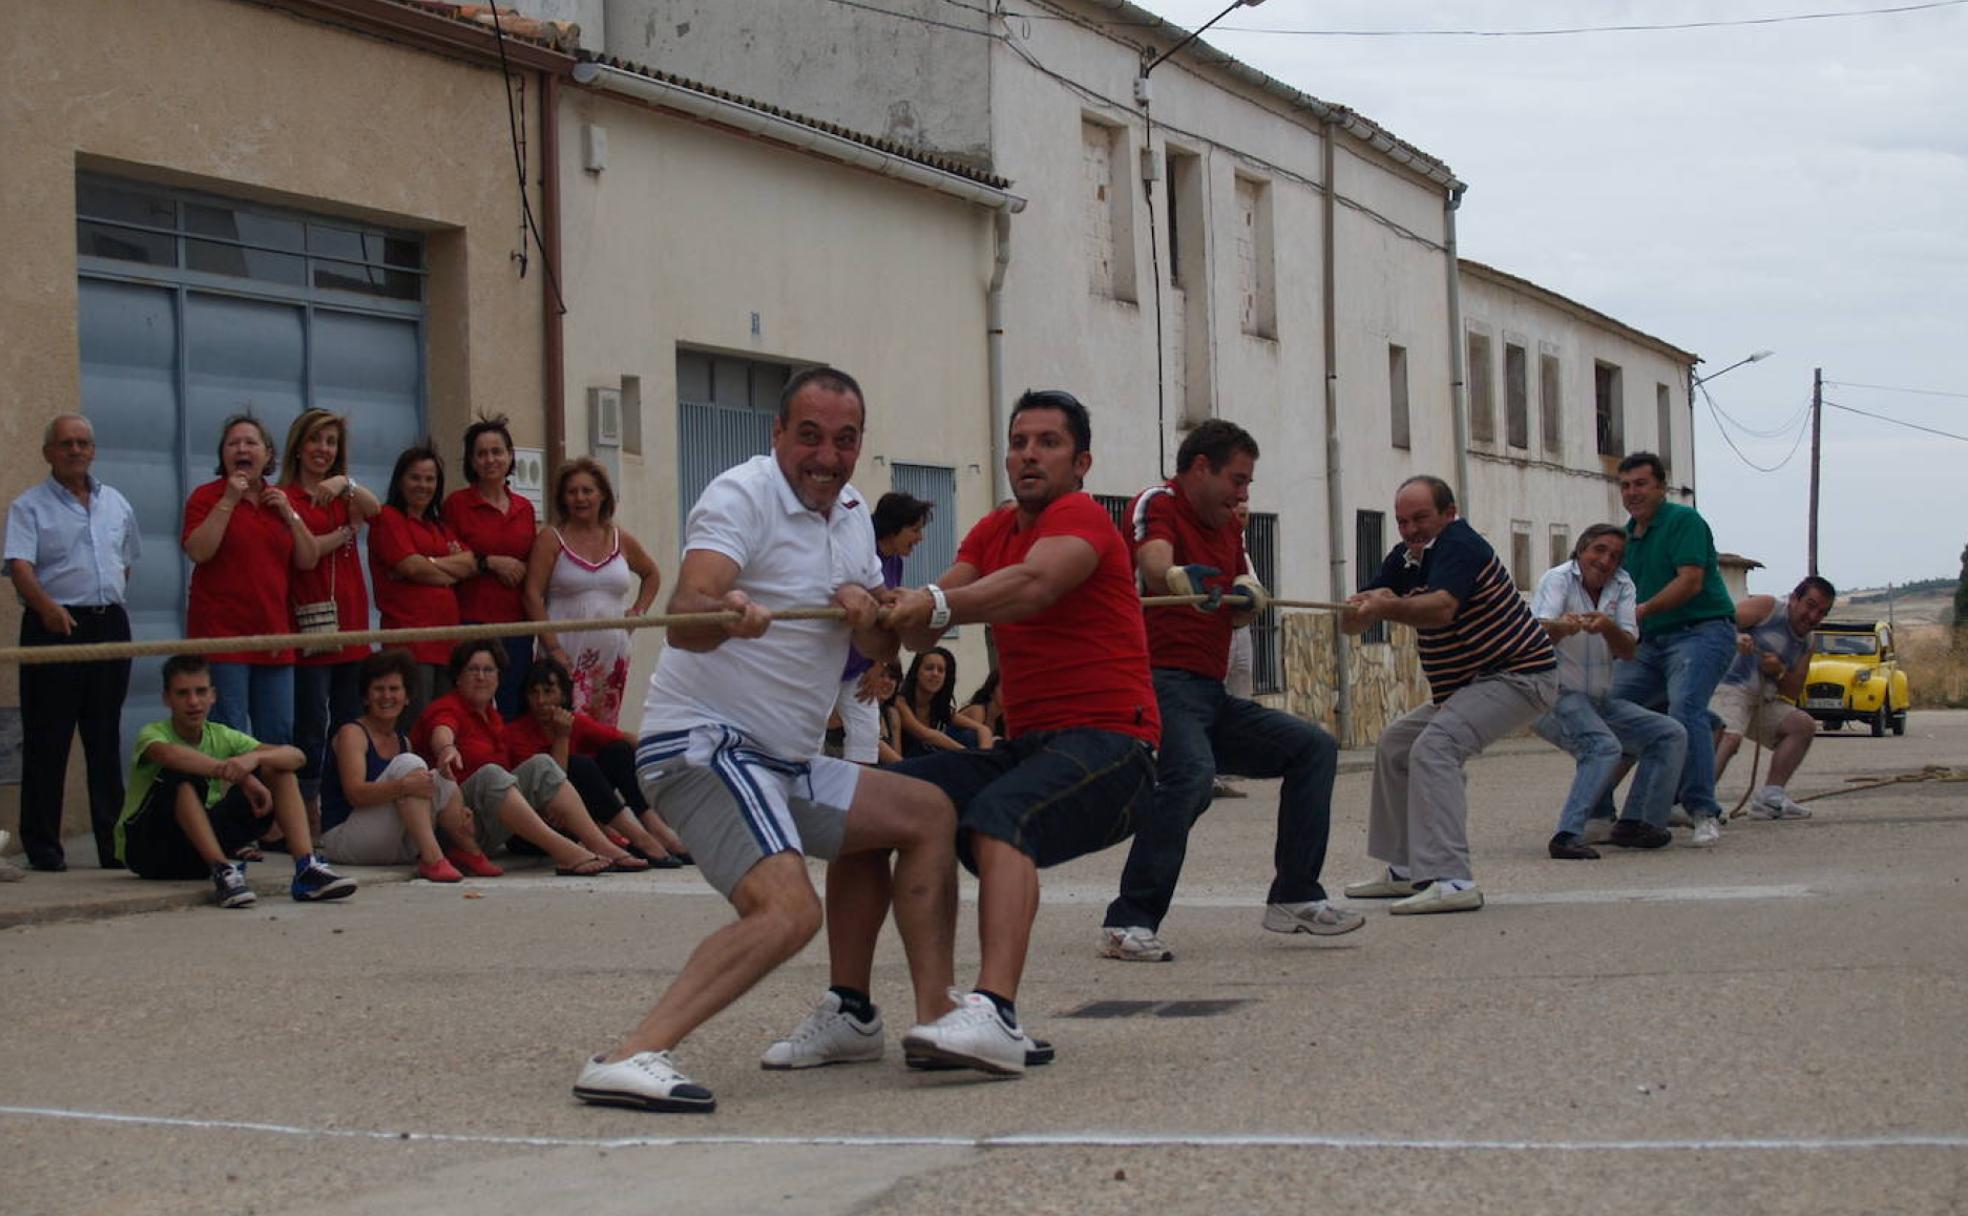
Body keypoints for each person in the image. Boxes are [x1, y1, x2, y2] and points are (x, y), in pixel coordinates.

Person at [574, 366, 960, 1114]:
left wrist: (870, 613)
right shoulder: (740, 495)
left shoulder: (850, 513)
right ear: (777, 433)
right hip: (703, 746)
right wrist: (726, 611)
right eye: (809, 436)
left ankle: (903, 1018)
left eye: (844, 441)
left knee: (927, 815)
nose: (826, 456)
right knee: (788, 911)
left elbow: (882, 653)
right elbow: (686, 614)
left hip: (784, 761)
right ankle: (629, 1056)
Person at [768, 388, 1159, 1078]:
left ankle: (996, 1013)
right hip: (1028, 745)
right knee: (871, 798)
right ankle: (853, 1009)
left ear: (1081, 462)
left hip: (1115, 749)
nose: (1028, 455)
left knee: (999, 816)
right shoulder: (994, 529)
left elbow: (1033, 586)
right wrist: (879, 613)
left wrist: (934, 603)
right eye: (1018, 442)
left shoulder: (1082, 519)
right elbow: (925, 626)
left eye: (1047, 443)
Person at [1100, 419, 1358, 961]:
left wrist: (1248, 597)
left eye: (1247, 484)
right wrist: (1177, 580)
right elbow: (1153, 565)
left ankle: (1294, 896)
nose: (1243, 495)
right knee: (1191, 777)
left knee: (1313, 749)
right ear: (1200, 468)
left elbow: (1240, 610)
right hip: (1155, 680)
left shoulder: (1229, 527)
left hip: (1207, 693)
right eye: (1237, 481)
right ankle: (1129, 921)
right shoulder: (1159, 501)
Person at [1340, 475, 1557, 914]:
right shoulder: (1405, 559)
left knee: (1435, 747)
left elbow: (1441, 609)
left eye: (1421, 518)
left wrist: (1383, 606)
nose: (1411, 529)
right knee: (1397, 744)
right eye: (1402, 521)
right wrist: (1358, 608)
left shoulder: (1460, 545)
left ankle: (1452, 879)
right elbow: (1357, 618)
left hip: (1520, 675)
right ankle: (1404, 870)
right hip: (1470, 686)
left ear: (1448, 513)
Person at [114, 654, 357, 908]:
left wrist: (252, 760)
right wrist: (233, 773)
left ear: (213, 696)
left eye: (200, 692)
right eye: (183, 693)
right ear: (167, 699)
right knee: (180, 776)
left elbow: (296, 756)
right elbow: (168, 754)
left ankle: (306, 870)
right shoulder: (153, 733)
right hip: (149, 850)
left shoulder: (221, 735)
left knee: (278, 768)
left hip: (196, 852)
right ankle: (223, 871)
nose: (193, 702)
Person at [4, 414, 139, 870]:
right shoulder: (29, 506)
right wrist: (46, 607)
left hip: (107, 626)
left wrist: (107, 602)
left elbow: (125, 561)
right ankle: (43, 848)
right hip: (54, 625)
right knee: (49, 739)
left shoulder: (116, 502)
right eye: (66, 444)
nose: (76, 450)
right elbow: (19, 565)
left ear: (93, 450)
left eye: (83, 443)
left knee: (104, 738)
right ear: (49, 453)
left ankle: (112, 844)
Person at [411, 640, 646, 877]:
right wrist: (446, 749)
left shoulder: (495, 719)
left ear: (499, 678)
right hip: (454, 825)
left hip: (486, 824)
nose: (481, 677)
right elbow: (442, 728)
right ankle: (567, 852)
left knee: (542, 764)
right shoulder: (446, 707)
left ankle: (601, 844)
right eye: (473, 670)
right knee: (492, 774)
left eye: (489, 670)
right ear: (458, 677)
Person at [1601, 452, 1738, 847]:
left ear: (1661, 486)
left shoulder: (1684, 522)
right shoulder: (1626, 539)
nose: (1632, 493)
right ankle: (1598, 810)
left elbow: (1690, 582)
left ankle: (1700, 809)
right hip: (1651, 641)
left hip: (1701, 632)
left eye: (1641, 484)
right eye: (1625, 486)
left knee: (1683, 710)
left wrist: (1640, 612)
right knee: (1612, 708)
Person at [1529, 524, 1685, 859]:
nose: (1605, 560)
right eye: (1599, 550)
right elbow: (1539, 634)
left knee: (1669, 734)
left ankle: (1638, 823)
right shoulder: (1557, 579)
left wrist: (1607, 626)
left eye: (1614, 555)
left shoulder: (1623, 585)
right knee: (1602, 747)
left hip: (1598, 699)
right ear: (1581, 550)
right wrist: (1563, 627)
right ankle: (1567, 834)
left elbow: (1628, 649)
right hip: (1554, 696)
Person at [182, 414, 320, 744]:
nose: (242, 449)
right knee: (227, 734)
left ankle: (274, 797)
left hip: (274, 638)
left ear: (268, 454)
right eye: (233, 443)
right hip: (223, 639)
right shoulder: (206, 497)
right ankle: (228, 798)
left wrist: (291, 515)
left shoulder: (280, 501)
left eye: (250, 443)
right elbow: (198, 551)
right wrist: (229, 500)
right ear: (223, 455)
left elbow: (308, 558)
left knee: (279, 734)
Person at [318, 649, 500, 883]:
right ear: (365, 697)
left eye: (394, 689)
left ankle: (468, 850)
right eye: (378, 689)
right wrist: (403, 785)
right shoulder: (352, 733)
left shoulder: (403, 741)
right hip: (345, 839)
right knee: (412, 767)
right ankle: (433, 859)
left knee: (439, 777)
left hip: (391, 843)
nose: (386, 696)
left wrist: (457, 809)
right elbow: (355, 794)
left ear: (407, 697)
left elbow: (417, 790)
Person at [279, 408, 380, 826]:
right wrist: (336, 537)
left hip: (351, 623)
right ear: (299, 446)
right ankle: (304, 810)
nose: (323, 450)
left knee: (348, 723)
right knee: (309, 724)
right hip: (309, 622)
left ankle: (341, 809)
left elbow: (375, 511)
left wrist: (345, 482)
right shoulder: (283, 497)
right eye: (316, 440)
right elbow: (300, 557)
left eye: (331, 442)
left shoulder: (345, 497)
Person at [505, 657, 689, 866]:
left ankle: (656, 828)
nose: (540, 701)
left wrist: (669, 758)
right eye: (534, 693)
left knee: (618, 751)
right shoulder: (517, 732)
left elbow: (622, 738)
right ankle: (640, 839)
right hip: (542, 822)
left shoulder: (573, 720)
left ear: (563, 694)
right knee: (580, 765)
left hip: (579, 813)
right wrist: (562, 737)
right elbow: (553, 783)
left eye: (548, 691)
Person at [524, 458, 658, 728]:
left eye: (587, 491)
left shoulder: (621, 539)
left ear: (603, 495)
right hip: (564, 652)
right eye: (572, 492)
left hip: (612, 654)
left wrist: (637, 613)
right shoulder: (551, 539)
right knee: (559, 726)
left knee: (602, 732)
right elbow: (531, 595)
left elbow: (652, 575)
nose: (580, 498)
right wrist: (553, 649)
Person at [1712, 577, 1837, 819]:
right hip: (1728, 686)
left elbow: (1792, 691)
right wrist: (1735, 638)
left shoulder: (1809, 642)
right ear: (1793, 599)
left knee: (1802, 725)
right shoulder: (1767, 607)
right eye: (1810, 606)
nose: (1813, 617)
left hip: (1761, 699)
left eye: (1821, 612)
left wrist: (1779, 670)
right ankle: (1697, 801)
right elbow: (1718, 622)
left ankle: (1770, 798)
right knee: (1730, 738)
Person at [443, 415, 537, 717]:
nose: (490, 459)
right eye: (481, 453)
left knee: (512, 705)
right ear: (471, 460)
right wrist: (491, 563)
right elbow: (450, 561)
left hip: (518, 623)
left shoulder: (525, 508)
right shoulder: (456, 505)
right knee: (473, 706)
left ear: (510, 456)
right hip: (472, 621)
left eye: (497, 451)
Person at [369, 443, 475, 711]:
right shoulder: (388, 519)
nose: (423, 485)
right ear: (400, 480)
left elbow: (469, 563)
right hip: (410, 645)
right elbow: (411, 567)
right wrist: (441, 569)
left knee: (441, 723)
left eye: (430, 479)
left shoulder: (438, 526)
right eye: (415, 477)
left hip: (447, 646)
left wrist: (427, 562)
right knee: (414, 724)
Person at [833, 491, 930, 764]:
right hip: (830, 661)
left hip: (859, 669)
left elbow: (888, 618)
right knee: (810, 737)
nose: (920, 538)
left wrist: (877, 666)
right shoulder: (858, 554)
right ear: (893, 527)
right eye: (914, 530)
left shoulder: (896, 562)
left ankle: (856, 800)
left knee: (866, 734)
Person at [895, 646, 978, 756]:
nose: (935, 674)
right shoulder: (900, 701)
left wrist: (984, 756)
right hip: (907, 763)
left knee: (969, 736)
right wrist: (968, 753)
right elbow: (925, 735)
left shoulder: (940, 706)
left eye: (941, 670)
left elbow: (982, 729)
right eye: (929, 668)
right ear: (916, 672)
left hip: (932, 762)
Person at [952, 669, 1003, 750]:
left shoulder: (1003, 719)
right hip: (952, 744)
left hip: (970, 751)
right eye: (1003, 688)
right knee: (973, 736)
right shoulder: (978, 710)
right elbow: (979, 740)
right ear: (992, 692)